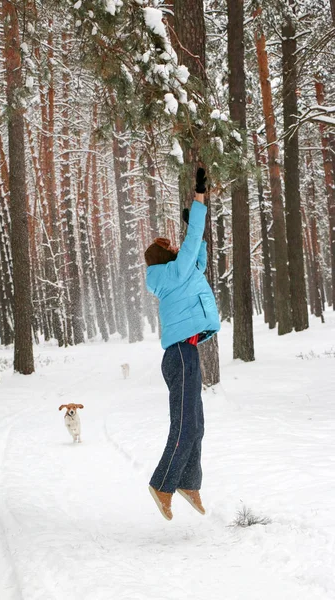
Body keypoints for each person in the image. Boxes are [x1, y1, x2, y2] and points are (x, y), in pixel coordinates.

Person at [144, 167, 220, 521]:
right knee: (185, 425)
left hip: (185, 353)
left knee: (197, 425)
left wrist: (197, 233)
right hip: (179, 355)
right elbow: (190, 248)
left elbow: (198, 258)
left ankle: (189, 482)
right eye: (170, 248)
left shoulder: (179, 274)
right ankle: (163, 484)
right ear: (164, 258)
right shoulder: (171, 274)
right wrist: (199, 201)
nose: (176, 248)